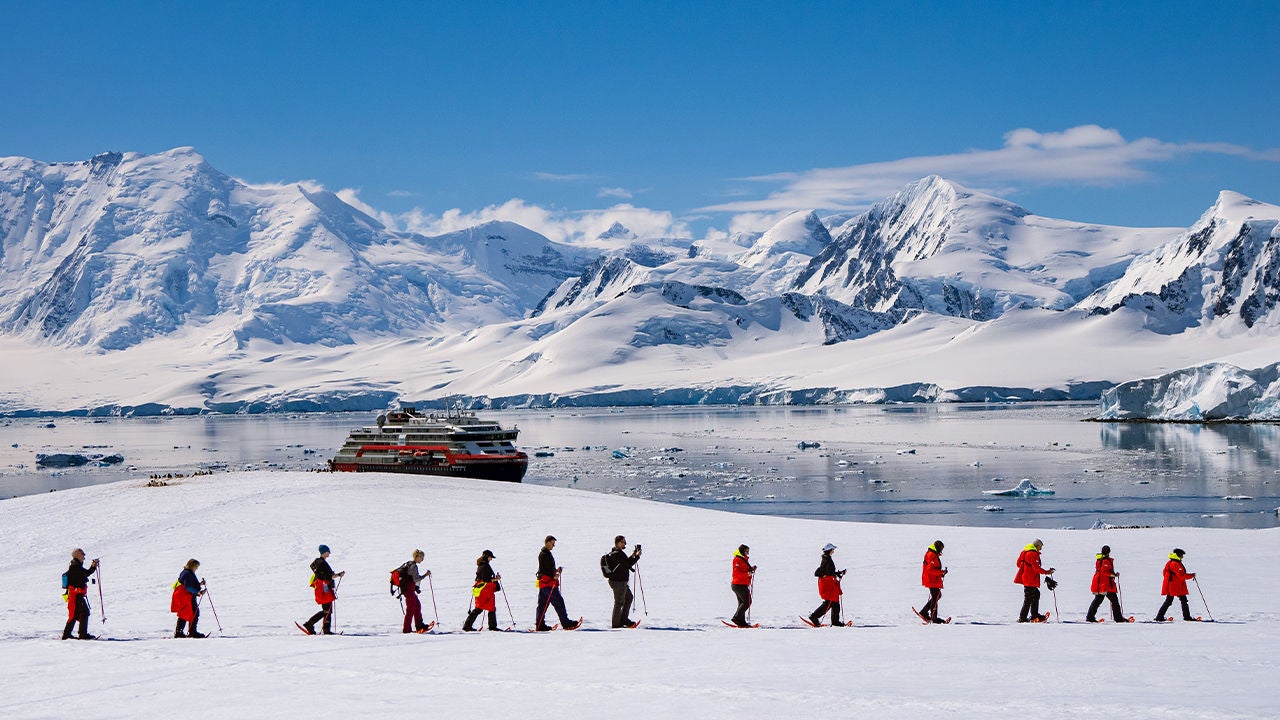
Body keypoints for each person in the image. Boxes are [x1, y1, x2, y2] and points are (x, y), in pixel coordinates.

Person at [535, 536, 580, 631]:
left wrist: (556, 571)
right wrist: (553, 575)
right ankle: (566, 623)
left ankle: (540, 625)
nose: (553, 545)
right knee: (558, 602)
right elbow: (544, 570)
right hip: (548, 583)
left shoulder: (545, 554)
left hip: (544, 583)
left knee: (542, 605)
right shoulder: (544, 554)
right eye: (552, 543)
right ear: (547, 542)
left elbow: (546, 570)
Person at [302, 545, 345, 635]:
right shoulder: (321, 563)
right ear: (324, 552)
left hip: (322, 589)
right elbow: (327, 576)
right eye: (328, 551)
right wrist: (338, 575)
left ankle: (325, 629)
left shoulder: (319, 562)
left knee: (327, 610)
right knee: (327, 610)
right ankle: (310, 624)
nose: (329, 553)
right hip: (324, 590)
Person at [602, 535, 642, 628]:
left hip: (620, 582)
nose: (625, 544)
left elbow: (625, 563)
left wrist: (633, 555)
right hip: (618, 582)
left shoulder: (616, 553)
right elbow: (627, 564)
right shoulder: (618, 554)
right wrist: (637, 557)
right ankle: (616, 624)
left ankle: (623, 619)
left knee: (629, 598)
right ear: (619, 543)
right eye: (624, 542)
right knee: (619, 602)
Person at [1014, 539, 1055, 623]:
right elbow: (1036, 568)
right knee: (1028, 598)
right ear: (1037, 546)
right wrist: (1047, 572)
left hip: (1027, 578)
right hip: (1030, 579)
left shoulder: (1025, 552)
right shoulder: (1032, 554)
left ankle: (1034, 615)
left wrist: (1026, 568)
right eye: (1040, 547)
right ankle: (1023, 618)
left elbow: (1018, 564)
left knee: (1036, 594)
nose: (1041, 549)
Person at [62, 548, 99, 640]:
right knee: (81, 613)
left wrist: (93, 566)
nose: (84, 556)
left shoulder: (75, 565)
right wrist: (93, 566)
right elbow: (85, 574)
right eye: (82, 554)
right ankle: (80, 634)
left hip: (76, 595)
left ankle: (70, 634)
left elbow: (84, 574)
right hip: (76, 595)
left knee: (77, 614)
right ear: (77, 555)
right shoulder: (75, 566)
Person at [1086, 545, 1128, 623]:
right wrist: (1114, 575)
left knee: (1098, 601)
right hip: (1104, 585)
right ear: (1108, 552)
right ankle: (1118, 618)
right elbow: (1104, 572)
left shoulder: (1101, 560)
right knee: (1114, 601)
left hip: (1101, 584)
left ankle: (1090, 617)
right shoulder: (1105, 561)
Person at [807, 543, 846, 626]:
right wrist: (838, 574)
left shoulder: (826, 559)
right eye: (833, 550)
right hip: (828, 586)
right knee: (829, 602)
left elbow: (829, 572)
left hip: (828, 585)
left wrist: (839, 573)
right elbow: (829, 573)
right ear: (830, 550)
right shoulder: (827, 560)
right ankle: (814, 616)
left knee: (834, 603)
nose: (833, 551)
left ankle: (835, 621)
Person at [1156, 548, 1199, 622]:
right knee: (1183, 600)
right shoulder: (1176, 564)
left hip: (1172, 586)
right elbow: (1181, 576)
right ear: (1179, 555)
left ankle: (1159, 617)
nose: (1182, 557)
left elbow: (1164, 573)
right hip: (1176, 587)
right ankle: (1187, 617)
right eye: (1182, 555)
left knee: (1169, 601)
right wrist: (1192, 575)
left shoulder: (1170, 562)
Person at [394, 549, 431, 633]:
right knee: (411, 609)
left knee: (417, 605)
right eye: (421, 557)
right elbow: (416, 578)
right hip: (408, 589)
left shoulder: (408, 563)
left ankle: (419, 625)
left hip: (408, 589)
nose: (422, 559)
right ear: (417, 557)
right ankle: (407, 629)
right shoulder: (413, 566)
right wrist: (426, 574)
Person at [464, 549, 502, 631]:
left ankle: (468, 626)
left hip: (484, 590)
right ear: (487, 557)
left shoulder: (482, 565)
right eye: (490, 557)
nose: (491, 559)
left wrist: (495, 579)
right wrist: (496, 579)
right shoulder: (484, 566)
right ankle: (468, 626)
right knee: (480, 608)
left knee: (487, 608)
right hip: (484, 591)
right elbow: (486, 579)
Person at [171, 558, 206, 638]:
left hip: (184, 596)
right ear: (192, 566)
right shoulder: (187, 573)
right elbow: (188, 586)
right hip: (185, 596)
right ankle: (192, 632)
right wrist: (199, 592)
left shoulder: (187, 572)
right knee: (194, 612)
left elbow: (188, 584)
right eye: (196, 567)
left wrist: (199, 584)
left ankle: (179, 632)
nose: (196, 569)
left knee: (185, 613)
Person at [919, 540, 948, 624]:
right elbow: (930, 570)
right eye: (941, 548)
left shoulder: (932, 554)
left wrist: (941, 573)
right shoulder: (932, 555)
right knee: (936, 596)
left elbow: (934, 568)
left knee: (936, 596)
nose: (942, 551)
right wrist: (941, 572)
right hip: (931, 579)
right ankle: (932, 617)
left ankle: (925, 612)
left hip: (932, 579)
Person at [730, 544, 757, 627]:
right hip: (738, 585)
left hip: (741, 584)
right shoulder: (737, 560)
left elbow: (744, 570)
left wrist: (751, 569)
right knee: (747, 602)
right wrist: (747, 574)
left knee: (742, 602)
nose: (748, 553)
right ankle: (736, 618)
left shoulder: (743, 559)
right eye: (747, 551)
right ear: (743, 551)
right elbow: (737, 573)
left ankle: (741, 622)